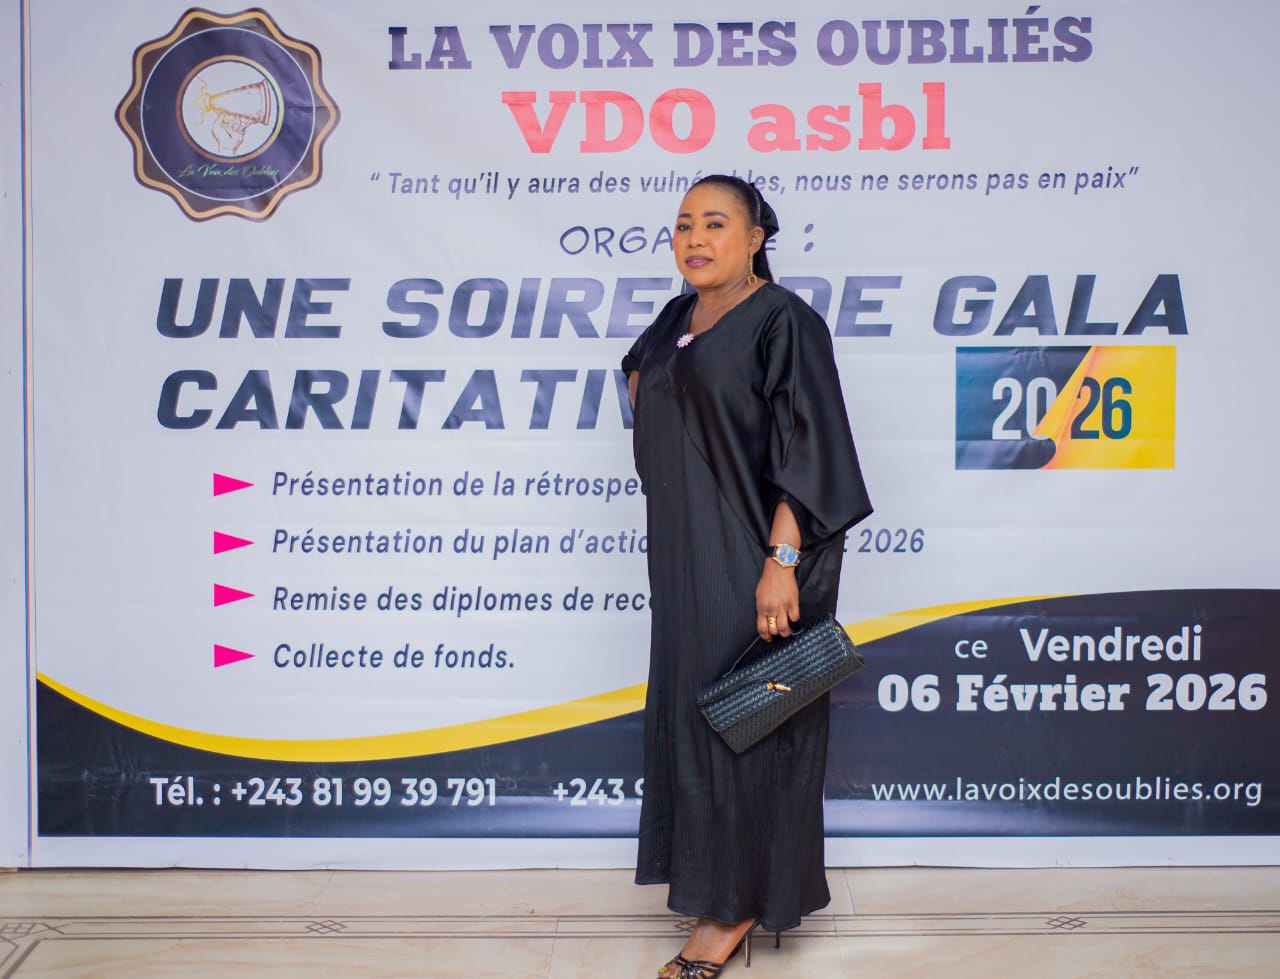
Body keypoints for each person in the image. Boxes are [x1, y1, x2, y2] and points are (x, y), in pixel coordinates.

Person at [621, 174, 872, 977]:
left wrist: (781, 563)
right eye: (683, 225)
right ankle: (715, 883)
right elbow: (641, 380)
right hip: (683, 552)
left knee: (748, 726)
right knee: (697, 720)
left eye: (715, 223)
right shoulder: (676, 319)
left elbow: (810, 445)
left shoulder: (784, 321)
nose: (695, 239)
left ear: (756, 236)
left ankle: (732, 908)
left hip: (749, 554)